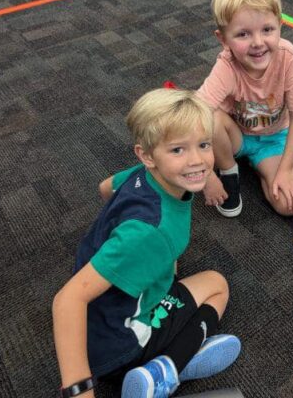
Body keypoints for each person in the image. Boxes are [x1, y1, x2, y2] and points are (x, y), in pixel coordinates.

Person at [53, 88, 241, 398]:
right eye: (178, 150)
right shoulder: (152, 233)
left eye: (204, 145)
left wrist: (205, 177)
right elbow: (66, 300)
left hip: (98, 314)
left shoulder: (141, 175)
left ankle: (175, 358)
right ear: (147, 155)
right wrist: (80, 391)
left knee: (174, 269)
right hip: (120, 345)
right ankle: (169, 366)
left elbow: (105, 188)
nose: (197, 160)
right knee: (217, 284)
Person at [197, 0, 293, 218]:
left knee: (289, 206)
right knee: (209, 117)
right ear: (223, 39)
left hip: (273, 138)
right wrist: (206, 176)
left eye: (267, 29)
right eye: (243, 34)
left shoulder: (288, 56)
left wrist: (285, 169)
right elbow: (195, 115)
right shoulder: (226, 65)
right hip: (234, 134)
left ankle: (260, 165)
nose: (258, 42)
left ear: (280, 25)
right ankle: (229, 170)